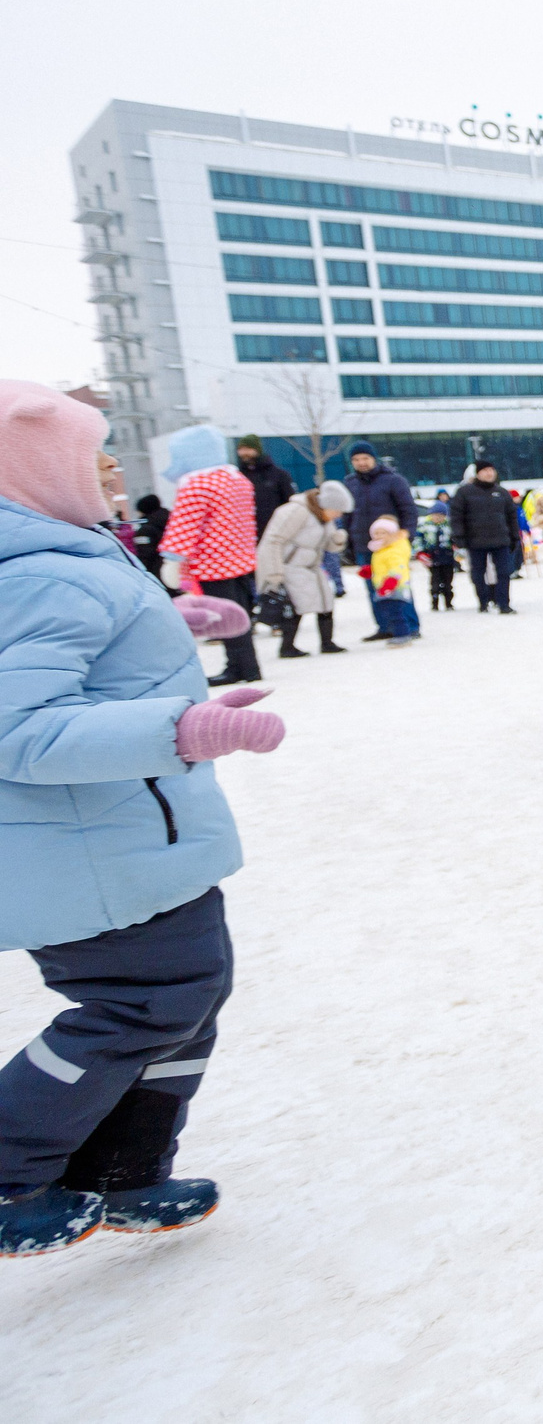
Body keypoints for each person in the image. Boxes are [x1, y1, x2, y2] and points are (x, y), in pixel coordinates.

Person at [0, 382, 285, 1257]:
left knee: (188, 994)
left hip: (135, 833)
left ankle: (124, 1167)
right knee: (141, 1003)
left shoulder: (68, 547)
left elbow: (87, 658)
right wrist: (182, 726)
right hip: (89, 850)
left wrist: (173, 622)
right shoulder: (39, 566)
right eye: (93, 453)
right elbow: (21, 728)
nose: (113, 468)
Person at [155, 427, 264, 687]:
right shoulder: (237, 480)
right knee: (240, 614)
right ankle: (248, 666)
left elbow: (185, 525)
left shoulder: (197, 485)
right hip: (239, 559)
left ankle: (237, 667)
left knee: (224, 617)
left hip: (211, 564)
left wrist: (173, 558)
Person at [255, 480, 352, 657]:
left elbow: (328, 545)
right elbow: (272, 541)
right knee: (296, 606)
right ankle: (287, 647)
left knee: (325, 601)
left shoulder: (323, 517)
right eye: (337, 511)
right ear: (327, 505)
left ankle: (327, 643)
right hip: (289, 566)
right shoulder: (295, 511)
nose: (338, 516)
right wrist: (274, 573)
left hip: (312, 567)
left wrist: (337, 540)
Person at [340, 443, 417, 639]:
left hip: (391, 544)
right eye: (356, 460)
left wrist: (406, 533)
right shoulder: (350, 483)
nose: (361, 463)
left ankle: (410, 626)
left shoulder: (393, 480)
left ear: (374, 459)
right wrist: (349, 542)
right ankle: (385, 627)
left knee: (397, 584)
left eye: (365, 458)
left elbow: (408, 510)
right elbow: (347, 516)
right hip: (364, 543)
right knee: (374, 587)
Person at [447, 460, 520, 614]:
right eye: (485, 470)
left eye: (491, 470)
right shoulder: (465, 492)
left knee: (504, 572)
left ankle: (503, 603)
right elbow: (456, 516)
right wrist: (458, 536)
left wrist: (514, 537)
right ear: (478, 473)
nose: (489, 473)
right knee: (478, 573)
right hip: (475, 540)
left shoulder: (501, 492)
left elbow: (512, 517)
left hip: (501, 539)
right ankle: (483, 601)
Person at [361, 516, 419, 647]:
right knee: (389, 611)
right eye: (376, 533)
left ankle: (403, 635)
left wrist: (391, 582)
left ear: (392, 534)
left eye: (383, 533)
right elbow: (382, 566)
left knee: (396, 612)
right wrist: (370, 570)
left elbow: (397, 568)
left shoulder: (393, 550)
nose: (379, 536)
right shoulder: (380, 550)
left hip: (395, 587)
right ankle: (400, 634)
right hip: (383, 586)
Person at [230, 434, 296, 542]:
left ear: (257, 450)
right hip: (244, 535)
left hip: (273, 533)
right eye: (241, 450)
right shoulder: (236, 476)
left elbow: (290, 504)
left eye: (247, 449)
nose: (243, 453)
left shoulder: (279, 475)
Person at [415, 501, 458, 610]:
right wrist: (420, 552)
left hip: (447, 556)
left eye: (441, 515)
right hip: (432, 557)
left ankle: (448, 602)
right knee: (435, 581)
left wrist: (458, 553)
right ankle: (435, 602)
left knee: (448, 581)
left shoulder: (449, 525)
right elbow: (417, 539)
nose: (438, 518)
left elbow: (456, 540)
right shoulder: (424, 525)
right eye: (435, 515)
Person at [129, 493, 167, 584]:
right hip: (175, 571)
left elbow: (145, 555)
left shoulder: (145, 530)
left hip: (157, 575)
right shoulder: (172, 521)